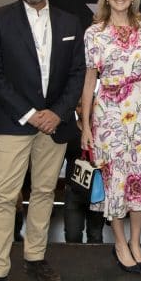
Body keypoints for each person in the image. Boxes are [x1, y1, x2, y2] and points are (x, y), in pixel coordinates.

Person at [0, 0, 85, 281]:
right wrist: (29, 113)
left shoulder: (71, 21)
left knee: (43, 193)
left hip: (55, 123)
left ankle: (35, 258)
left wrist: (57, 112)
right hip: (13, 121)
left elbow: (78, 74)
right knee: (5, 196)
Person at [80, 0, 141, 273]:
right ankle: (119, 242)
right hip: (108, 115)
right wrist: (87, 125)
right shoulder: (93, 33)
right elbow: (90, 81)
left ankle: (136, 240)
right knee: (115, 178)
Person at [62, 100, 105, 244]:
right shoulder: (68, 129)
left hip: (97, 191)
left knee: (96, 236)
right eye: (79, 105)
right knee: (72, 236)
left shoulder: (103, 129)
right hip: (73, 190)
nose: (83, 109)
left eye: (88, 103)